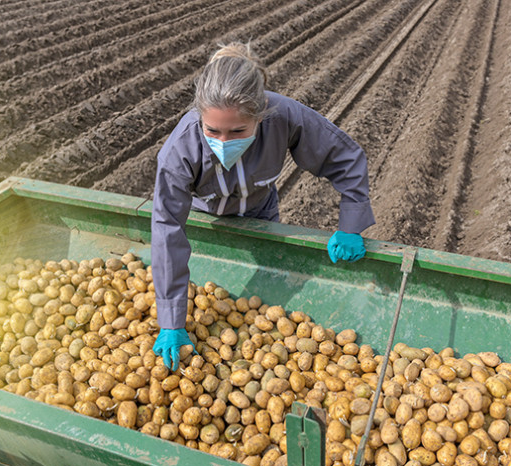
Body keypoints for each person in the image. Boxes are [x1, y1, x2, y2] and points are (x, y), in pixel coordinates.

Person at [151, 42, 376, 370]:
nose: (223, 142)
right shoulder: (180, 147)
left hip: (260, 213)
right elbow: (167, 226)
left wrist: (351, 223)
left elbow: (344, 157)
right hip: (203, 217)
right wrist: (171, 320)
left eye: (238, 131)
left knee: (263, 304)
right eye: (212, 130)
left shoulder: (283, 115)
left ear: (260, 114)